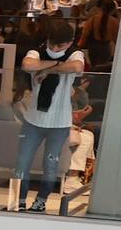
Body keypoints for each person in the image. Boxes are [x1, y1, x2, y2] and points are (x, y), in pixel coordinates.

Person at [14, 17, 85, 212]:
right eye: (51, 43)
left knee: (51, 164)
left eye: (59, 45)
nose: (54, 48)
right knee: (22, 162)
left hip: (60, 121)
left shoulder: (74, 54)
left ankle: (41, 201)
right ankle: (18, 201)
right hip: (33, 120)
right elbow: (28, 64)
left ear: (69, 43)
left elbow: (77, 67)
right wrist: (54, 66)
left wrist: (50, 69)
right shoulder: (37, 50)